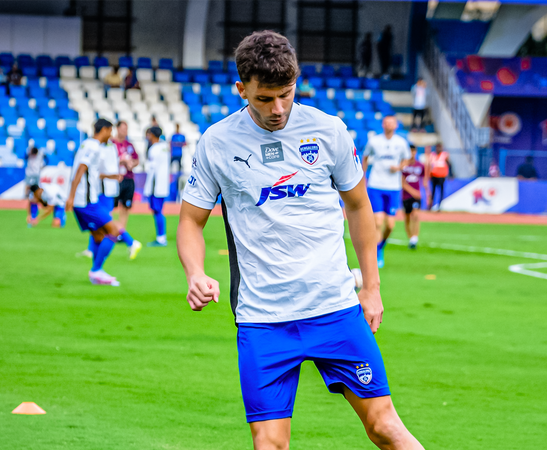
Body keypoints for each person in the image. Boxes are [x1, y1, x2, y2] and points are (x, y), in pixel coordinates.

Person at [177, 30, 423, 450]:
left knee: (384, 427)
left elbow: (359, 207)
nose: (278, 109)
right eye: (265, 98)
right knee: (269, 443)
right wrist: (195, 273)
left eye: (286, 95)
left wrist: (372, 287)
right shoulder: (217, 143)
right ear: (241, 89)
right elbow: (190, 221)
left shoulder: (328, 130)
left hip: (334, 308)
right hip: (263, 318)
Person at [66, 119, 132, 286]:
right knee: (113, 231)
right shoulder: (93, 147)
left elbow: (90, 172)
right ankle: (96, 270)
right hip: (86, 202)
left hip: (84, 200)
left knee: (98, 235)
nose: (111, 135)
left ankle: (96, 273)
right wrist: (71, 196)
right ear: (104, 130)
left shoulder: (86, 144)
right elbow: (81, 169)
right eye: (110, 131)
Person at [78, 129, 142, 259]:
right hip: (108, 189)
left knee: (105, 220)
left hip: (104, 190)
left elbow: (98, 170)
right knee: (99, 220)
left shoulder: (102, 149)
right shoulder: (111, 147)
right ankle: (91, 249)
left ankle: (131, 242)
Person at [362, 116, 411, 268]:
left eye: (392, 123)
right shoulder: (374, 141)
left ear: (396, 125)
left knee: (390, 225)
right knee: (378, 221)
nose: (389, 125)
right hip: (376, 185)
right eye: (386, 122)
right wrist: (362, 176)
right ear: (383, 124)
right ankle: (377, 253)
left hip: (393, 187)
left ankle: (380, 246)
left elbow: (407, 159)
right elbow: (365, 157)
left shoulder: (401, 143)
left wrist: (399, 167)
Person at [144, 126, 170, 247]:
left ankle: (161, 238)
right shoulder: (164, 147)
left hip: (156, 186)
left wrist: (148, 188)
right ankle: (161, 236)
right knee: (159, 210)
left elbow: (151, 168)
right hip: (163, 184)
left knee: (157, 211)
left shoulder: (153, 149)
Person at [112, 121, 139, 228]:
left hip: (128, 178)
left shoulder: (129, 145)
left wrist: (131, 163)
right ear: (117, 129)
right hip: (115, 179)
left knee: (126, 206)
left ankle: (121, 230)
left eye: (126, 129)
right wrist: (121, 161)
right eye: (123, 129)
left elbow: (136, 160)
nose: (125, 131)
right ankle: (111, 229)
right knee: (111, 206)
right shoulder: (111, 144)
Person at [401, 145, 428, 250]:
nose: (412, 153)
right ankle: (410, 238)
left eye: (413, 151)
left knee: (415, 215)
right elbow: (402, 182)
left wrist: (428, 194)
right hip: (406, 195)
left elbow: (424, 181)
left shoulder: (420, 165)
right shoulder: (403, 165)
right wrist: (413, 192)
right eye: (410, 151)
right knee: (407, 217)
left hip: (417, 196)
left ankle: (414, 239)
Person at [24, 147, 47, 224]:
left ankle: (35, 198)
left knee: (35, 191)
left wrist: (44, 165)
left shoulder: (40, 153)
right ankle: (27, 196)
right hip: (29, 173)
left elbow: (46, 158)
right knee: (28, 188)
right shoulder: (29, 152)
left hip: (36, 174)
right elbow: (24, 157)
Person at [428, 144, 450, 210]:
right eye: (437, 147)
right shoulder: (432, 155)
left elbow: (449, 164)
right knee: (433, 191)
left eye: (440, 147)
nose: (439, 149)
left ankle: (440, 206)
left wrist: (449, 174)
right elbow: (429, 165)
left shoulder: (444, 155)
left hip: (441, 176)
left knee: (441, 191)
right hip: (434, 176)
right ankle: (431, 205)